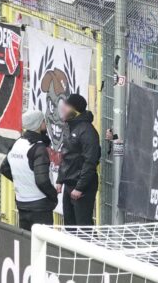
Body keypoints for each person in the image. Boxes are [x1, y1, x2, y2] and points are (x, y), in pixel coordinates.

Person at [1, 110, 58, 230]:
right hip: (40, 205)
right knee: (43, 244)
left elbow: (4, 168)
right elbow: (42, 181)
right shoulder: (39, 148)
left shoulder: (18, 143)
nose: (45, 124)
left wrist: (23, 181)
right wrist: (53, 195)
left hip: (22, 202)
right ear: (38, 125)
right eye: (43, 121)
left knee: (26, 243)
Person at [56, 93, 102, 227]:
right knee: (69, 225)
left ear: (75, 110)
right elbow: (66, 156)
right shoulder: (70, 127)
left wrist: (80, 187)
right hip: (69, 185)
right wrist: (60, 179)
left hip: (81, 188)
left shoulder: (88, 132)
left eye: (67, 106)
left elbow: (90, 162)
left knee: (83, 227)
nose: (63, 108)